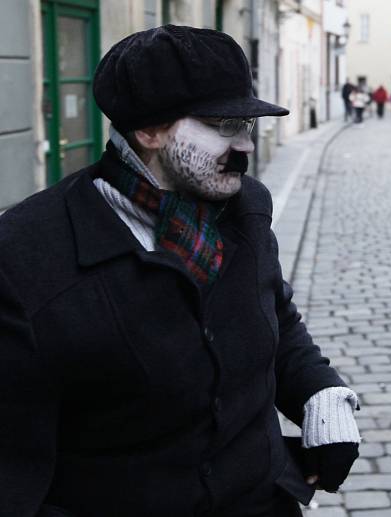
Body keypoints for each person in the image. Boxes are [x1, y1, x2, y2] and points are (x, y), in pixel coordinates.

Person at [0, 25, 360, 517]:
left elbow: (275, 313)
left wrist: (320, 392)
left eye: (247, 125)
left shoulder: (245, 209)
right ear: (148, 130)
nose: (245, 147)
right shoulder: (24, 256)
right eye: (221, 125)